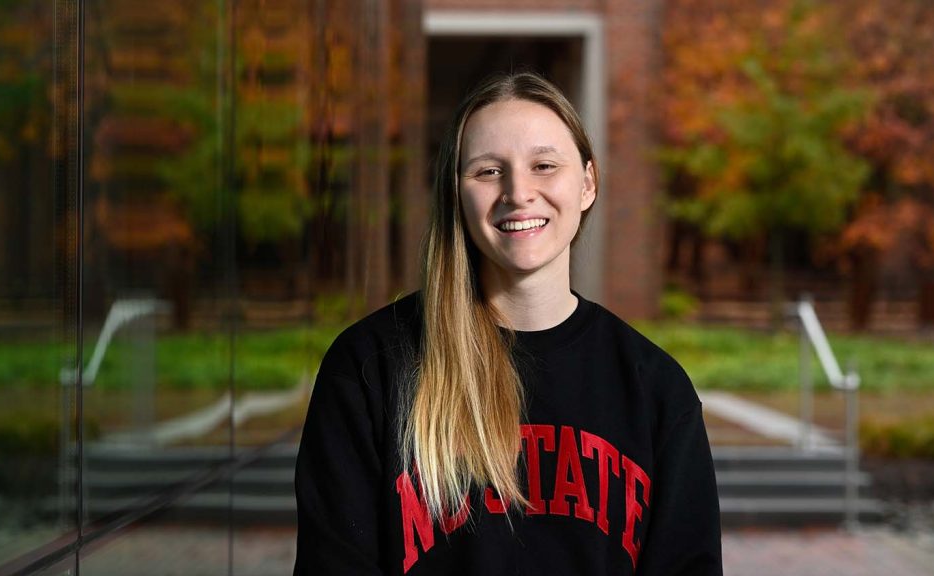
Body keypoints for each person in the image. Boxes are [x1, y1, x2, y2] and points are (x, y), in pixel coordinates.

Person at [294, 71, 722, 576]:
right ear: (456, 192)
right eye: (488, 171)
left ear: (587, 183)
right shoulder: (369, 368)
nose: (519, 192)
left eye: (544, 165)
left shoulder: (655, 389)